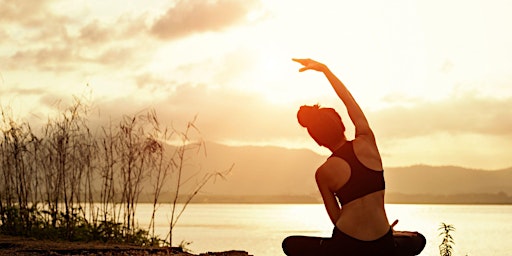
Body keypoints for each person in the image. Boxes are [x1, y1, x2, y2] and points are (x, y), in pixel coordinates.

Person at [282, 59, 425, 256]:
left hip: (346, 246)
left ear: (318, 141)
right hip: (383, 245)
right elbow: (348, 99)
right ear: (342, 124)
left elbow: (337, 219)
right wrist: (325, 70)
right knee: (417, 239)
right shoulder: (367, 142)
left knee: (290, 244)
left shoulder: (323, 173)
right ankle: (391, 236)